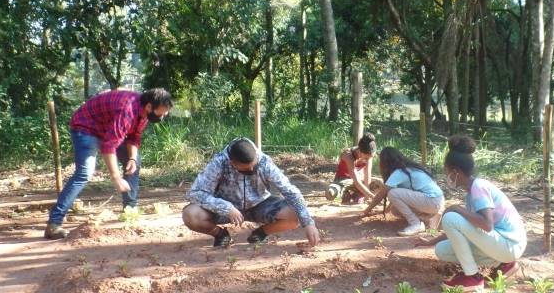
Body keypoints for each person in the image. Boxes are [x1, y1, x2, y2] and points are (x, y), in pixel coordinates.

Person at [44, 88, 173, 239]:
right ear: (150, 106)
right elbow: (108, 145)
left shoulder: (144, 112)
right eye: (161, 112)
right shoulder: (128, 111)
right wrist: (116, 177)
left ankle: (130, 212)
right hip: (86, 127)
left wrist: (131, 159)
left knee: (135, 161)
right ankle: (54, 223)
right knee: (84, 173)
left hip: (107, 128)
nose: (163, 116)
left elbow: (133, 137)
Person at [414, 135, 527, 291]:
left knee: (451, 216)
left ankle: (472, 277)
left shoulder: (479, 187)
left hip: (510, 244)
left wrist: (456, 208)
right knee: (442, 249)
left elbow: (487, 225)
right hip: (503, 244)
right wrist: (431, 241)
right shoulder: (471, 193)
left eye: (447, 171)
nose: (447, 176)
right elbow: (463, 229)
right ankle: (504, 265)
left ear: (456, 171)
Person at [183, 137, 320, 248]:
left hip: (260, 204)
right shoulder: (219, 162)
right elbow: (195, 192)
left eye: (254, 165)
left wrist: (308, 223)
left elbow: (290, 191)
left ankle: (260, 233)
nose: (253, 169)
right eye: (247, 169)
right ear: (233, 163)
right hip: (225, 209)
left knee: (295, 214)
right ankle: (220, 234)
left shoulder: (264, 162)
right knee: (191, 214)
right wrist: (226, 207)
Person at [362, 146, 444, 236]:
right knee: (395, 210)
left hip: (431, 200)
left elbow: (381, 194)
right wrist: (387, 210)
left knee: (393, 193)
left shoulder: (399, 172)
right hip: (436, 200)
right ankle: (428, 218)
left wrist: (367, 210)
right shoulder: (409, 168)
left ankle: (415, 224)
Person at [325, 132, 380, 204]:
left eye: (370, 158)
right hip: (343, 181)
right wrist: (372, 196)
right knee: (330, 193)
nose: (368, 160)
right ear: (360, 151)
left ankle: (357, 196)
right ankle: (344, 195)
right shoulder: (348, 155)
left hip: (359, 181)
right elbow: (356, 181)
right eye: (366, 158)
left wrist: (367, 196)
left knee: (379, 184)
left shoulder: (369, 156)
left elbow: (367, 175)